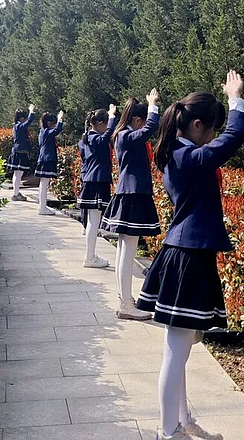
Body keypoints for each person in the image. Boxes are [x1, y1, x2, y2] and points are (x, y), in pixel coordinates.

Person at [137, 72, 244, 440]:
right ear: (197, 125)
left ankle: (183, 421)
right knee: (175, 352)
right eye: (212, 129)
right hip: (187, 258)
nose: (214, 136)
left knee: (181, 349)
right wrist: (235, 100)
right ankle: (168, 432)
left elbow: (221, 143)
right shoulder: (186, 157)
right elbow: (233, 138)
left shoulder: (178, 153)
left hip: (187, 254)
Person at [100, 89, 161, 321]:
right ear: (136, 120)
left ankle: (125, 299)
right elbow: (150, 128)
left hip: (129, 194)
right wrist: (153, 105)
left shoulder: (121, 133)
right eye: (142, 121)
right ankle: (126, 303)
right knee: (127, 252)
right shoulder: (127, 135)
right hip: (132, 195)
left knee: (124, 252)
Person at [78, 105, 117, 268]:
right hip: (96, 182)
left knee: (93, 222)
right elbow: (106, 137)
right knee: (94, 222)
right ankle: (89, 257)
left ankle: (91, 255)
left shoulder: (88, 137)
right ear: (101, 123)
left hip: (94, 181)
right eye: (107, 124)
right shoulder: (94, 137)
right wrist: (112, 117)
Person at [34, 110, 65, 216]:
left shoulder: (42, 131)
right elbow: (57, 130)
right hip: (47, 159)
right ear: (49, 123)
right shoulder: (47, 132)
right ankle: (42, 208)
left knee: (43, 184)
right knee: (44, 184)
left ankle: (42, 206)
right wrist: (60, 119)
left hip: (43, 159)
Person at [7, 104, 37, 201]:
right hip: (20, 152)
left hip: (18, 151)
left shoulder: (16, 126)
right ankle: (15, 194)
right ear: (22, 118)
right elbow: (29, 122)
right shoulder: (19, 126)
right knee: (18, 173)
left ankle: (16, 192)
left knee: (17, 173)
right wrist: (31, 111)